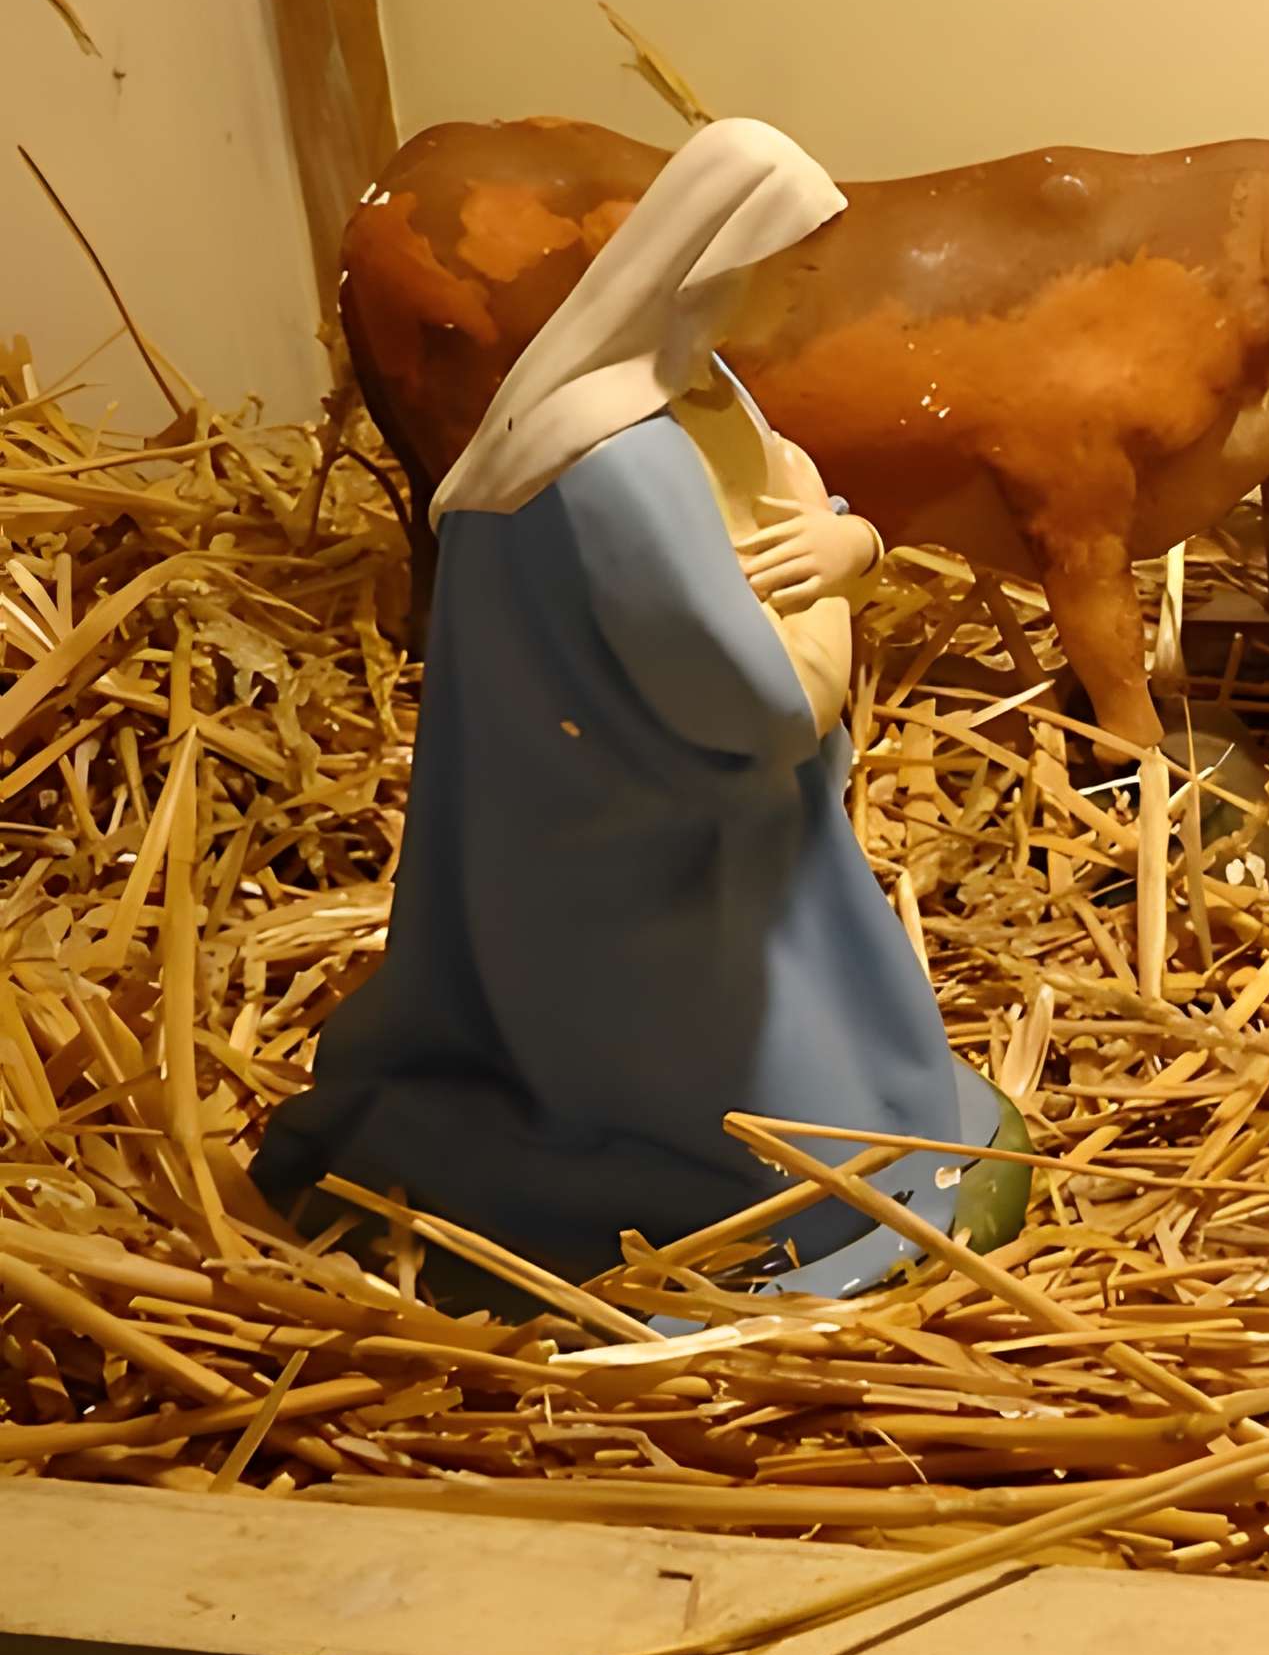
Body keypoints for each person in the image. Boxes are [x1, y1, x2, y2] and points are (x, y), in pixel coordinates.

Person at [258, 119, 1023, 1299]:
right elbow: (763, 703)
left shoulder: (700, 391)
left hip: (729, 833)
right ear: (717, 262)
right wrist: (833, 597)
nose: (813, 299)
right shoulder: (618, 460)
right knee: (805, 1171)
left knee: (887, 1103)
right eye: (797, 271)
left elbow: (800, 509)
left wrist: (848, 540)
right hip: (634, 868)